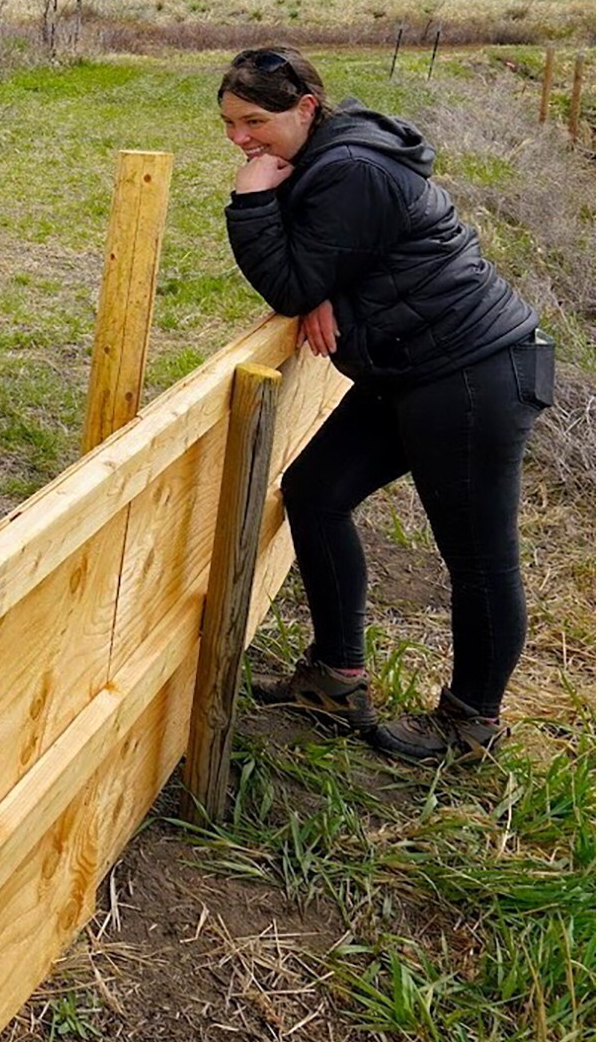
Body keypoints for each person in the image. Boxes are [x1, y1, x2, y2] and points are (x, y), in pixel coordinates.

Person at [220, 46, 552, 763]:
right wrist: (325, 288)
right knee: (315, 489)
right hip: (409, 366)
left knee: (479, 558)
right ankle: (336, 679)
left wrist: (252, 201)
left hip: (471, 371)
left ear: (306, 107)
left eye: (254, 121)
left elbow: (290, 277)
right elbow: (337, 259)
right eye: (230, 124)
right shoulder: (334, 157)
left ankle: (470, 724)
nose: (241, 139)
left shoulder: (351, 167)